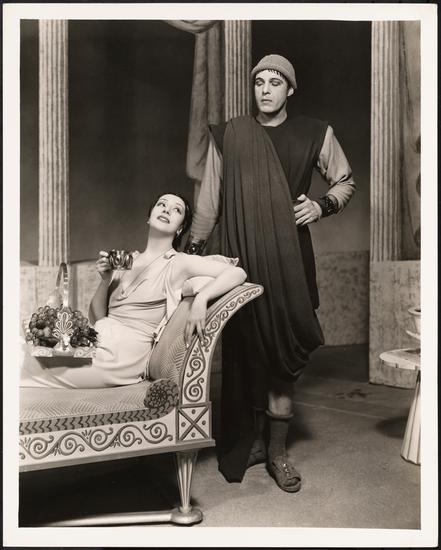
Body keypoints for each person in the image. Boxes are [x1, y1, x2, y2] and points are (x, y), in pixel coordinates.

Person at [185, 54, 356, 492]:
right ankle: (256, 442)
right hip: (240, 261)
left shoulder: (314, 132)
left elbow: (345, 181)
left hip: (289, 258)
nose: (265, 89)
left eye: (275, 82)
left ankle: (278, 452)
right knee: (248, 352)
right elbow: (209, 203)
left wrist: (321, 205)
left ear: (290, 90)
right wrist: (190, 255)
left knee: (284, 355)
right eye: (259, 81)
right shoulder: (231, 135)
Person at [20, 193, 247, 389]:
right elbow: (97, 317)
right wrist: (105, 280)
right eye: (161, 204)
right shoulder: (128, 260)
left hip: (124, 356)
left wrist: (202, 298)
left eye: (176, 209)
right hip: (98, 340)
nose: (166, 209)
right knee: (22, 346)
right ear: (149, 217)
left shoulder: (179, 262)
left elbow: (237, 273)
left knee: (23, 364)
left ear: (180, 229)